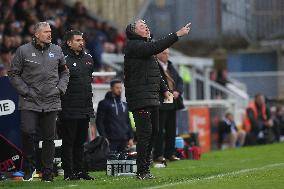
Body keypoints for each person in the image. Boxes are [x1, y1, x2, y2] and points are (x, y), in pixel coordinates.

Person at [124, 19, 191, 179]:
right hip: (140, 99)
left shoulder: (147, 49)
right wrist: (177, 35)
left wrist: (165, 90)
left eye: (147, 25)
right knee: (145, 134)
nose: (146, 27)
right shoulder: (134, 46)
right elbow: (155, 47)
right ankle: (142, 171)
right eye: (142, 26)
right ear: (134, 32)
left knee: (154, 133)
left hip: (152, 98)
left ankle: (145, 168)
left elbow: (157, 74)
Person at [8, 22, 69, 182]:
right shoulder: (23, 51)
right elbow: (13, 74)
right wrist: (26, 91)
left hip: (51, 100)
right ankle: (29, 167)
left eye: (50, 31)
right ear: (36, 34)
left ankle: (47, 172)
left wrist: (60, 89)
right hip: (30, 100)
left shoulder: (57, 50)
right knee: (28, 132)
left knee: (49, 138)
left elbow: (65, 72)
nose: (50, 34)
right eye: (46, 32)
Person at [58, 30, 94, 181]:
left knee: (80, 141)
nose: (81, 42)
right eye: (78, 40)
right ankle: (68, 172)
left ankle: (80, 170)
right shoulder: (62, 59)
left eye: (82, 40)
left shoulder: (88, 58)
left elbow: (88, 80)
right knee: (69, 141)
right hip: (69, 106)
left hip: (85, 106)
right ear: (69, 42)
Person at [153, 48, 184, 162]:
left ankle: (170, 153)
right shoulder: (155, 66)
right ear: (158, 54)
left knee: (171, 129)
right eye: (164, 53)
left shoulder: (170, 66)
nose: (166, 55)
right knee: (160, 130)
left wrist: (178, 91)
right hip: (161, 99)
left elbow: (180, 81)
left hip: (172, 99)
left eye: (168, 53)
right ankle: (158, 154)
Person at [96, 79, 134, 152]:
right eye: (117, 88)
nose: (119, 90)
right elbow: (99, 122)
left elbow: (128, 121)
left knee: (123, 162)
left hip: (124, 139)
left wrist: (131, 137)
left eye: (120, 88)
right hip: (110, 140)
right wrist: (104, 137)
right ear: (111, 88)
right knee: (111, 162)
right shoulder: (104, 103)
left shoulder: (124, 104)